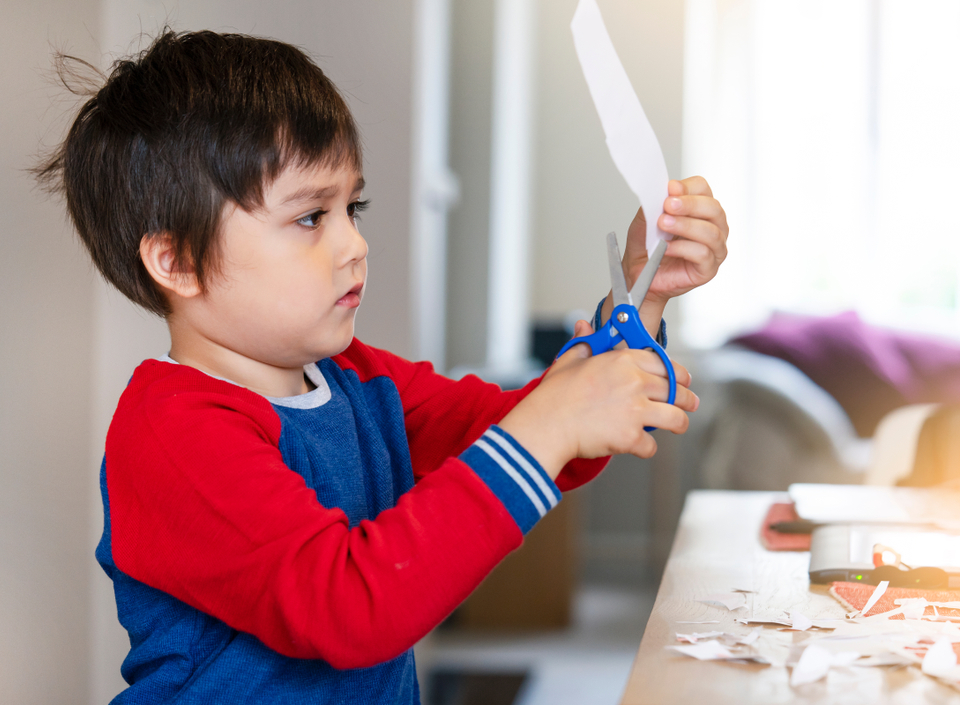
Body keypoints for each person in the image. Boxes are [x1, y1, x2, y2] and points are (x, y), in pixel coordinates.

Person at [35, 29, 727, 704]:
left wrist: (642, 293)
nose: (355, 245)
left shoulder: (359, 379)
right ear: (178, 261)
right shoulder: (172, 433)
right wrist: (551, 423)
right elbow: (350, 605)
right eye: (310, 217)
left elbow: (532, 435)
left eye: (352, 207)